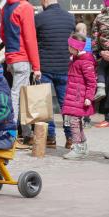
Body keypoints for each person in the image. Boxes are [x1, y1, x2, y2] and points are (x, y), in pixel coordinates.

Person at [0, 0, 41, 149]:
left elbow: (3, 34)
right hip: (22, 57)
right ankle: (12, 136)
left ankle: (27, 133)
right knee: (18, 95)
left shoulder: (6, 7)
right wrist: (36, 66)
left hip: (11, 56)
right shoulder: (25, 7)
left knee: (21, 96)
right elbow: (30, 38)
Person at [35, 0, 75, 149]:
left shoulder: (39, 18)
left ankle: (50, 137)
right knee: (66, 105)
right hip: (65, 66)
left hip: (44, 66)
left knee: (45, 105)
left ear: (45, 1)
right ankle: (70, 137)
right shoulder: (70, 17)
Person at [62, 33, 96, 160]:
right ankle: (83, 146)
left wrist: (88, 97)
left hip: (79, 98)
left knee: (74, 122)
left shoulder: (85, 62)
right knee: (76, 122)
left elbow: (91, 82)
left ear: (76, 47)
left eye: (70, 46)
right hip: (73, 96)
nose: (68, 48)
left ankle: (78, 147)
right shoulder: (75, 59)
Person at [92, 0, 109, 128]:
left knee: (106, 85)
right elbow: (95, 36)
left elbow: (95, 38)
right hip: (105, 55)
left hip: (105, 55)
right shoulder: (99, 17)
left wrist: (99, 53)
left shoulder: (99, 17)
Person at [76, 22, 93, 128]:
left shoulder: (75, 41)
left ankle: (79, 118)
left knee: (79, 94)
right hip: (88, 69)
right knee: (88, 94)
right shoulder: (89, 41)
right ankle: (87, 120)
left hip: (78, 72)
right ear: (85, 31)